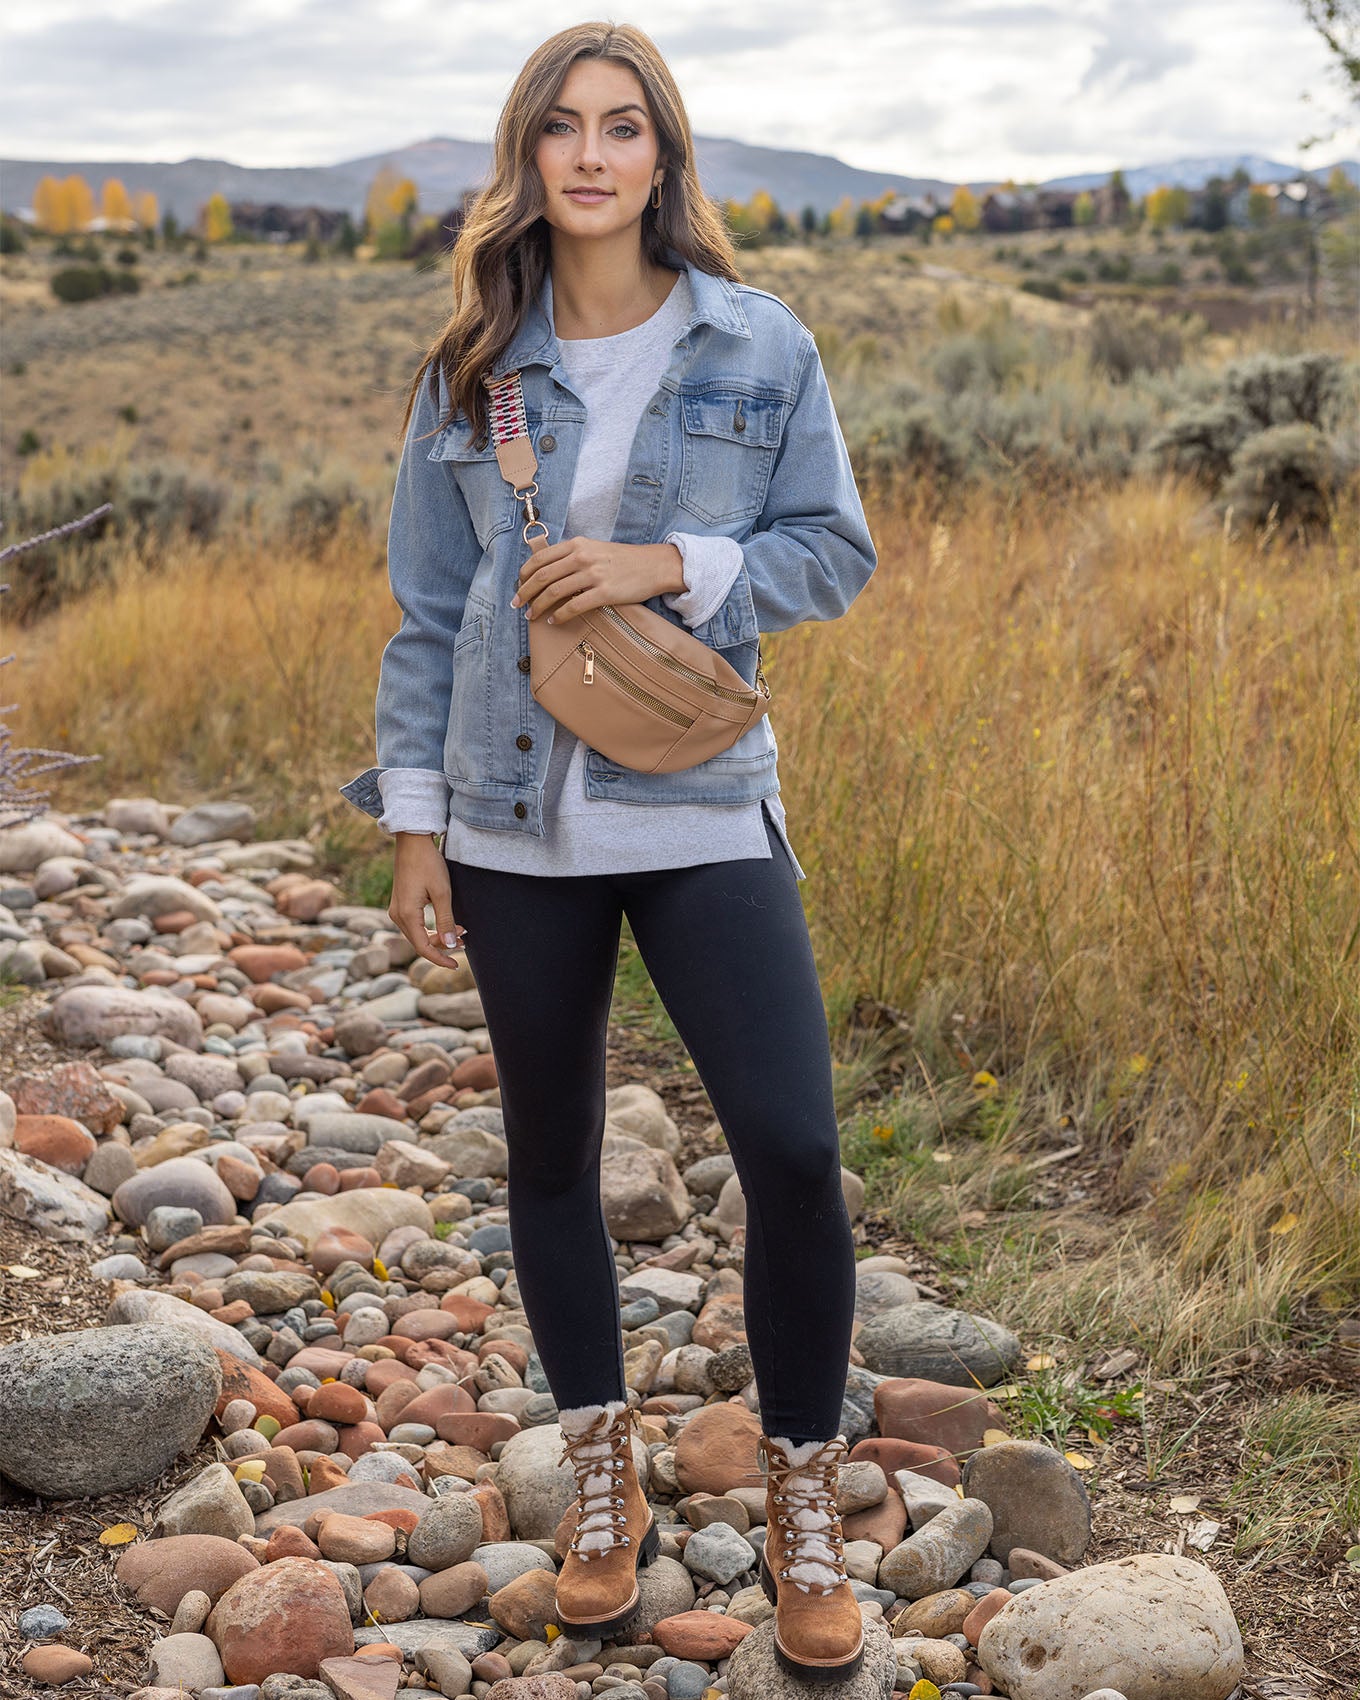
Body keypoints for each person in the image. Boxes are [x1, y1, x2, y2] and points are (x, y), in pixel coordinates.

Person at [338, 19, 878, 1680]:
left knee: (789, 1148)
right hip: (508, 827)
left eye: (622, 127)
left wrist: (667, 564)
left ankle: (800, 1493)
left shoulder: (758, 343)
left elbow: (833, 554)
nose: (590, 155)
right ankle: (600, 1477)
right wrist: (415, 826)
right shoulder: (471, 370)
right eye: (561, 127)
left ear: (665, 158)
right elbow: (429, 619)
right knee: (554, 1158)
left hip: (702, 805)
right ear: (529, 156)